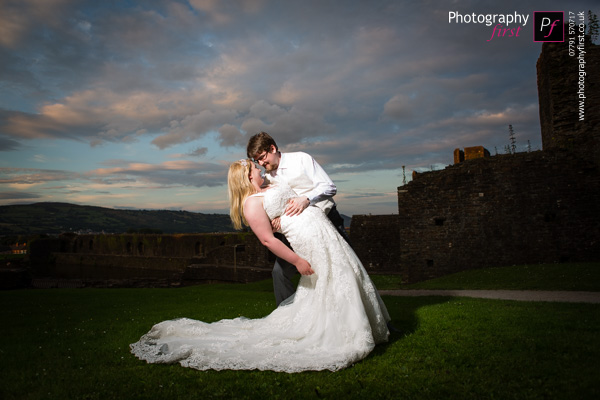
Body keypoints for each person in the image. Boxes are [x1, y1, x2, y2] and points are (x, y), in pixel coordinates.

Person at [130, 159, 390, 373]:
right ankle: (344, 333)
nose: (260, 168)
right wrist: (297, 260)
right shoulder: (251, 203)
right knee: (330, 280)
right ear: (247, 176)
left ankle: (364, 324)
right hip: (307, 240)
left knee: (344, 273)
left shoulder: (272, 184)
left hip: (322, 230)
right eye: (255, 167)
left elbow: (294, 196)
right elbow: (266, 239)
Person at [247, 131, 351, 305]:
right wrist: (279, 217)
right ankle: (287, 316)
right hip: (297, 231)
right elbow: (271, 200)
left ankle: (378, 321)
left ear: (272, 148)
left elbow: (329, 187)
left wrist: (307, 199)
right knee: (279, 273)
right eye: (257, 161)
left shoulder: (301, 159)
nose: (261, 163)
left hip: (328, 221)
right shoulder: (267, 177)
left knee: (349, 269)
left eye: (262, 157)